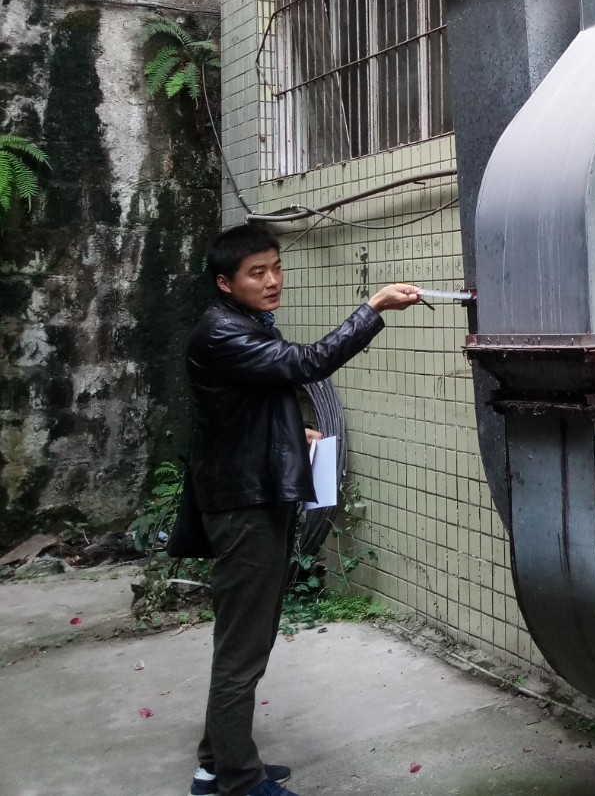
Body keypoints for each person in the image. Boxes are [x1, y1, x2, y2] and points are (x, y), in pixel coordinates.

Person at [184, 222, 421, 796]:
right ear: (225, 282)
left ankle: (216, 764)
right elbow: (307, 363)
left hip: (255, 492)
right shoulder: (222, 332)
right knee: (242, 649)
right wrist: (373, 308)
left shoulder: (244, 323)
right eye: (256, 273)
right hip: (243, 505)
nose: (272, 281)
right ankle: (238, 782)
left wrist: (295, 431)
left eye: (275, 268)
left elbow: (250, 402)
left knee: (250, 638)